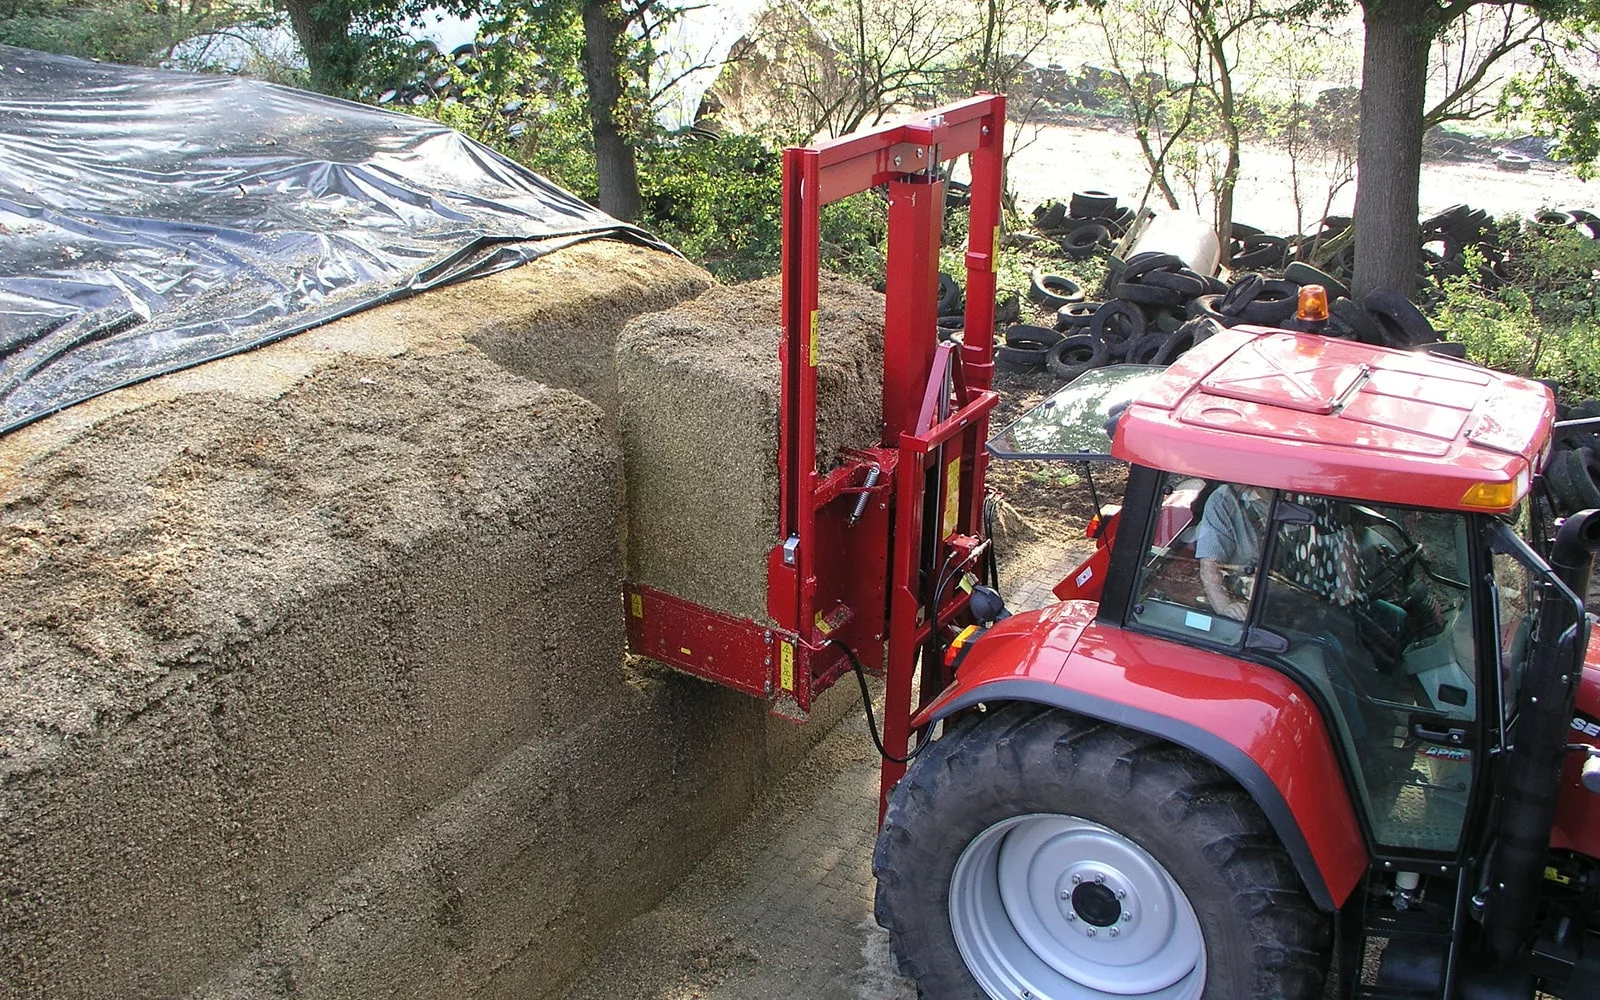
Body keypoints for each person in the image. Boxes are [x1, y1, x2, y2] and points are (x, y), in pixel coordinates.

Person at [1194, 483, 1272, 620]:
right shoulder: (1223, 501)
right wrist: (1226, 609)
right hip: (1249, 600)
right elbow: (1209, 568)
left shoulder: (1303, 497)